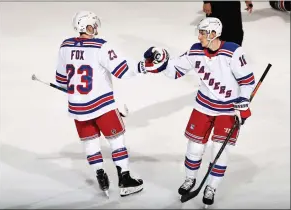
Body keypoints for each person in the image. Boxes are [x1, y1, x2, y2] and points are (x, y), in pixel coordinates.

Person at [143, 17, 255, 206]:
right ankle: (190, 179)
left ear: (213, 34)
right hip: (203, 106)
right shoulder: (195, 51)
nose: (199, 36)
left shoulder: (234, 52)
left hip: (227, 110)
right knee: (194, 147)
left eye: (203, 33)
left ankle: (211, 186)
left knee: (221, 151)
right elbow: (175, 70)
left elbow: (247, 81)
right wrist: (160, 60)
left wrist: (243, 103)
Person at [54, 11, 162, 197]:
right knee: (116, 139)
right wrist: (144, 66)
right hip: (101, 105)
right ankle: (124, 179)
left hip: (78, 107)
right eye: (93, 25)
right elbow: (122, 70)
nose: (95, 29)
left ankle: (100, 176)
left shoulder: (65, 46)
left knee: (90, 141)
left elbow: (61, 79)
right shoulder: (100, 46)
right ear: (86, 26)